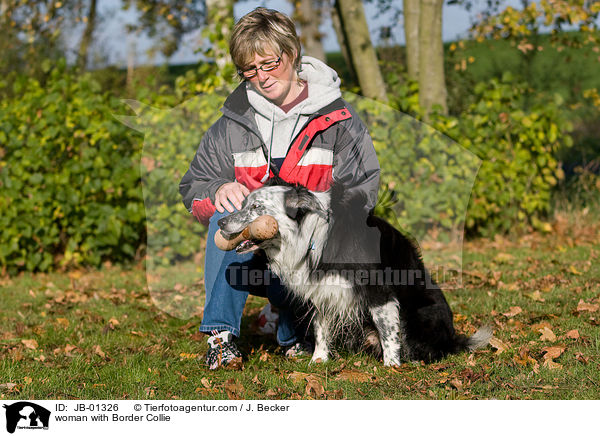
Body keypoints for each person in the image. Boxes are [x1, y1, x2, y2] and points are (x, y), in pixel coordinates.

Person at [179, 7, 380, 370]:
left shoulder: (339, 121)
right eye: (250, 70)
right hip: (251, 256)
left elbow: (363, 190)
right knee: (228, 215)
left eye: (270, 63)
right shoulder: (230, 124)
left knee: (313, 320)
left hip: (313, 259)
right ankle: (221, 339)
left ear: (292, 54)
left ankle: (290, 327)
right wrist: (218, 188)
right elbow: (193, 185)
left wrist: (316, 222)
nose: (262, 77)